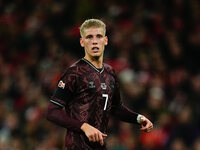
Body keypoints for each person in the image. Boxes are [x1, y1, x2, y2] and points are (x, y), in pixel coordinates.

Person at [46, 18, 153, 150]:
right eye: (89, 37)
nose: (94, 41)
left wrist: (138, 118)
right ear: (82, 42)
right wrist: (83, 126)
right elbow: (52, 111)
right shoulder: (74, 73)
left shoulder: (110, 72)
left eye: (99, 36)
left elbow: (115, 108)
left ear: (105, 40)